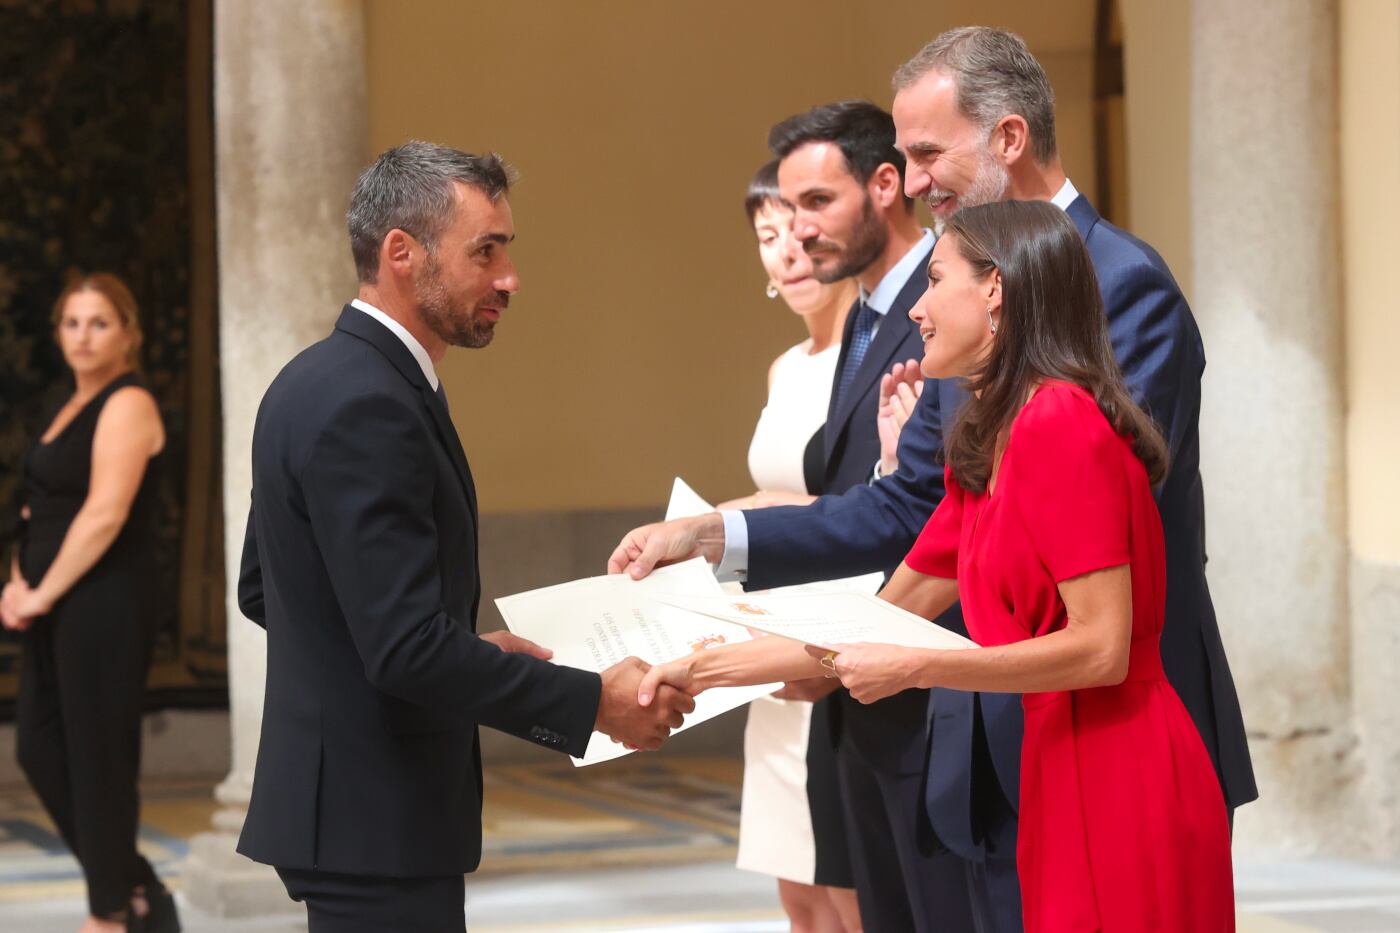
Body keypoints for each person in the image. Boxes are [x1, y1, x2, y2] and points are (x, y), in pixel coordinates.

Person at [610, 26, 1255, 933]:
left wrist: (906, 660)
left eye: (923, 153)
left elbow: (1087, 569)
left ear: (1008, 138)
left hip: (1107, 727)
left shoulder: (1115, 304)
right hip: (1009, 726)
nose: (910, 184)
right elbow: (928, 553)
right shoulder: (991, 375)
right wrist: (719, 662)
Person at [235, 141, 695, 932]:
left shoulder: (317, 378)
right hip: (374, 812)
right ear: (402, 253)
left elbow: (267, 589)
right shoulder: (369, 404)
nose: (508, 279)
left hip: (352, 807)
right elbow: (402, 647)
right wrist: (594, 704)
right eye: (486, 251)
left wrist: (458, 648)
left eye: (506, 251)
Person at [824, 199, 1236, 931]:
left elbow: (1102, 646)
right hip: (1058, 758)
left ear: (996, 291)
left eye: (936, 279)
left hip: (1120, 765)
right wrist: (704, 664)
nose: (917, 308)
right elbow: (892, 608)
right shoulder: (998, 435)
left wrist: (918, 666)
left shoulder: (1058, 421)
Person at [621, 101, 975, 933]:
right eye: (784, 211)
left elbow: (922, 510)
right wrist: (711, 535)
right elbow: (865, 495)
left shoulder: (948, 298)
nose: (796, 231)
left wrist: (729, 553)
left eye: (816, 203)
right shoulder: (864, 316)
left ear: (886, 186)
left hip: (918, 675)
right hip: (841, 674)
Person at [1, 274, 179, 933]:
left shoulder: (128, 403)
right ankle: (137, 891)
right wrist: (21, 580)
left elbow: (104, 514)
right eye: (71, 322)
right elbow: (36, 508)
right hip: (51, 599)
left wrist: (41, 592)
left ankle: (108, 912)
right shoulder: (63, 404)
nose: (83, 335)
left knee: (97, 755)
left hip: (103, 601)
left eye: (99, 322)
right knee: (41, 750)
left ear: (129, 333)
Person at [723, 159, 862, 932]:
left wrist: (771, 514)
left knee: (850, 890)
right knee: (799, 895)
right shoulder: (785, 367)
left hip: (834, 640)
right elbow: (779, 492)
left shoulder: (872, 358)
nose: (786, 250)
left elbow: (870, 503)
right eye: (766, 235)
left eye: (800, 228)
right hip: (771, 637)